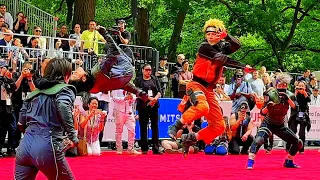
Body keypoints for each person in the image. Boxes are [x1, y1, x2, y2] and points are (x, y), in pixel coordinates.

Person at [167, 19, 245, 157]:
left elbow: (237, 45)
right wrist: (243, 67)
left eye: (214, 33)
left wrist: (226, 36)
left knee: (219, 126)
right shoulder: (204, 47)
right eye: (208, 33)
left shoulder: (222, 46)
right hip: (196, 84)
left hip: (209, 90)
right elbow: (223, 59)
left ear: (219, 34)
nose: (210, 36)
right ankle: (176, 125)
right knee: (203, 107)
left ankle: (191, 138)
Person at [15, 58, 78, 179]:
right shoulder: (65, 89)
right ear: (66, 74)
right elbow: (63, 106)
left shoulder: (33, 93)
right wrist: (72, 135)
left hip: (24, 146)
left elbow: (21, 121)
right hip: (47, 145)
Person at [69, 26, 149, 102]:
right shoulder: (98, 72)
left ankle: (138, 92)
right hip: (126, 66)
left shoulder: (92, 89)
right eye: (75, 74)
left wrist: (138, 92)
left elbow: (121, 84)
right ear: (83, 78)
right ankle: (114, 37)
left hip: (123, 78)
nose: (74, 71)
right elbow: (114, 53)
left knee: (118, 82)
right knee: (111, 49)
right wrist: (104, 33)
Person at [247, 73, 303, 170]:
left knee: (298, 143)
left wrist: (287, 99)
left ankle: (289, 160)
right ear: (276, 85)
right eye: (279, 85)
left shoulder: (291, 95)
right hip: (268, 123)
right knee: (258, 139)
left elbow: (296, 108)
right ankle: (250, 160)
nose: (281, 87)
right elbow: (262, 112)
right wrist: (268, 106)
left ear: (287, 85)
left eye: (284, 85)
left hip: (280, 125)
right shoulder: (270, 94)